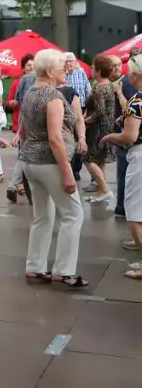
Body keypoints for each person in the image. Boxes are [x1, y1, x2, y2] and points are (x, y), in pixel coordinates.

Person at [20, 49, 87, 288]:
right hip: (50, 163)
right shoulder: (53, 97)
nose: (66, 70)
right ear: (49, 71)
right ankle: (64, 270)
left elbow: (24, 130)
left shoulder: (30, 92)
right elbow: (55, 139)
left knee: (43, 216)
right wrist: (68, 172)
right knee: (73, 214)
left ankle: (35, 266)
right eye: (62, 67)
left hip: (30, 162)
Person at [101, 52, 142, 279]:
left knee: (135, 213)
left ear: (135, 75)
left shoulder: (138, 101)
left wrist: (111, 137)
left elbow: (130, 137)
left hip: (139, 156)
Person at [83, 56, 117, 203]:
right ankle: (102, 192)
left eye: (92, 67)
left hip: (97, 128)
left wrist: (84, 121)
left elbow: (99, 112)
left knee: (88, 159)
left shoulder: (99, 87)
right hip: (107, 126)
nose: (91, 69)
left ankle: (105, 189)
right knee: (100, 160)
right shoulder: (107, 84)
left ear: (98, 71)